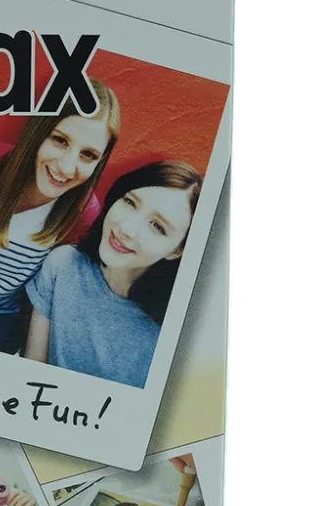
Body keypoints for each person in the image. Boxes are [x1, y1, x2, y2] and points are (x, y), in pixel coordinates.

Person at [0, 80, 120, 353]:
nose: (66, 167)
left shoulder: (84, 215)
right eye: (60, 140)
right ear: (38, 132)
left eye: (88, 154)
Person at [25, 160, 202, 387]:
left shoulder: (176, 332)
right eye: (130, 202)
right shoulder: (63, 264)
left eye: (157, 226)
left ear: (177, 250)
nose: (126, 228)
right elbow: (32, 370)